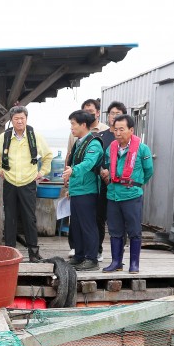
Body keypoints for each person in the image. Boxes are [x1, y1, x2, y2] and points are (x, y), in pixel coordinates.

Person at [0, 105, 53, 263]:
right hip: (10, 181)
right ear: (11, 120)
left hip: (28, 182)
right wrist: (0, 170)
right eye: (16, 119)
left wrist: (42, 172)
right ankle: (10, 252)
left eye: (22, 118)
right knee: (10, 217)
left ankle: (33, 252)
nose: (19, 121)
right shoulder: (4, 137)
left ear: (27, 119)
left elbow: (47, 155)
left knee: (29, 218)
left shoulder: (34, 136)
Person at [100, 114, 153, 273]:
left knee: (134, 230)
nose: (117, 133)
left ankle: (134, 264)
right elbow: (108, 167)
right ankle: (116, 262)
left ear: (131, 130)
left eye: (121, 129)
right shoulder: (111, 148)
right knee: (115, 230)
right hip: (113, 194)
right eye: (115, 129)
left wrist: (136, 184)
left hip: (131, 195)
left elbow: (149, 171)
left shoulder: (142, 149)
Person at [66, 98, 109, 260]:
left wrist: (73, 171)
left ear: (83, 125)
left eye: (73, 124)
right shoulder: (78, 142)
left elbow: (88, 163)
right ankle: (79, 256)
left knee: (88, 225)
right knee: (76, 226)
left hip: (87, 190)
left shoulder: (94, 143)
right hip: (76, 190)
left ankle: (91, 258)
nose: (71, 128)